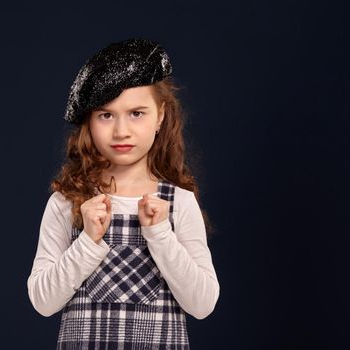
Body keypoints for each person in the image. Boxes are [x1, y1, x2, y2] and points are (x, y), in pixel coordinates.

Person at [27, 38, 220, 349]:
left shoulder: (178, 203)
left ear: (160, 116)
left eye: (136, 113)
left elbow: (202, 303)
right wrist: (87, 241)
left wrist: (159, 234)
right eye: (106, 115)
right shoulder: (69, 201)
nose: (121, 131)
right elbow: (42, 301)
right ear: (89, 120)